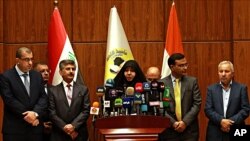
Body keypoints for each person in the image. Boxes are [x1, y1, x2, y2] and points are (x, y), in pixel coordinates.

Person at [0, 47, 48, 141]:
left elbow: (43, 97)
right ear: (17, 60)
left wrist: (35, 113)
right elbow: (9, 100)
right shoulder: (6, 77)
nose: (30, 63)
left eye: (31, 59)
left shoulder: (37, 75)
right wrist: (29, 116)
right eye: (27, 59)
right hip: (14, 130)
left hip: (35, 128)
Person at [159, 53, 202, 141]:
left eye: (186, 64)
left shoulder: (192, 81)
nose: (185, 68)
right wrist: (174, 123)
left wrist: (184, 122)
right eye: (181, 65)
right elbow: (160, 107)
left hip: (189, 130)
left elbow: (197, 104)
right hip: (169, 130)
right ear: (172, 67)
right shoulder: (162, 83)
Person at [204, 61, 249, 141]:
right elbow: (208, 109)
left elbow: (245, 110)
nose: (223, 74)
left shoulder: (241, 88)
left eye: (226, 71)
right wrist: (221, 121)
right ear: (218, 73)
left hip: (236, 129)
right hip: (215, 131)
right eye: (221, 71)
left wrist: (229, 123)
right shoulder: (211, 89)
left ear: (232, 73)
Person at [48, 59, 90, 141]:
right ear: (60, 72)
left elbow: (86, 110)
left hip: (79, 134)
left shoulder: (83, 89)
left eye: (73, 69)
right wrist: (65, 127)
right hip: (59, 134)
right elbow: (52, 112)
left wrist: (73, 126)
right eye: (68, 69)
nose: (71, 71)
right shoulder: (53, 91)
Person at [33, 62, 52, 141]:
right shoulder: (29, 90)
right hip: (35, 130)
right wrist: (41, 125)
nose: (46, 73)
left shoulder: (54, 89)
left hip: (52, 131)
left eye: (47, 71)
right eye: (42, 71)